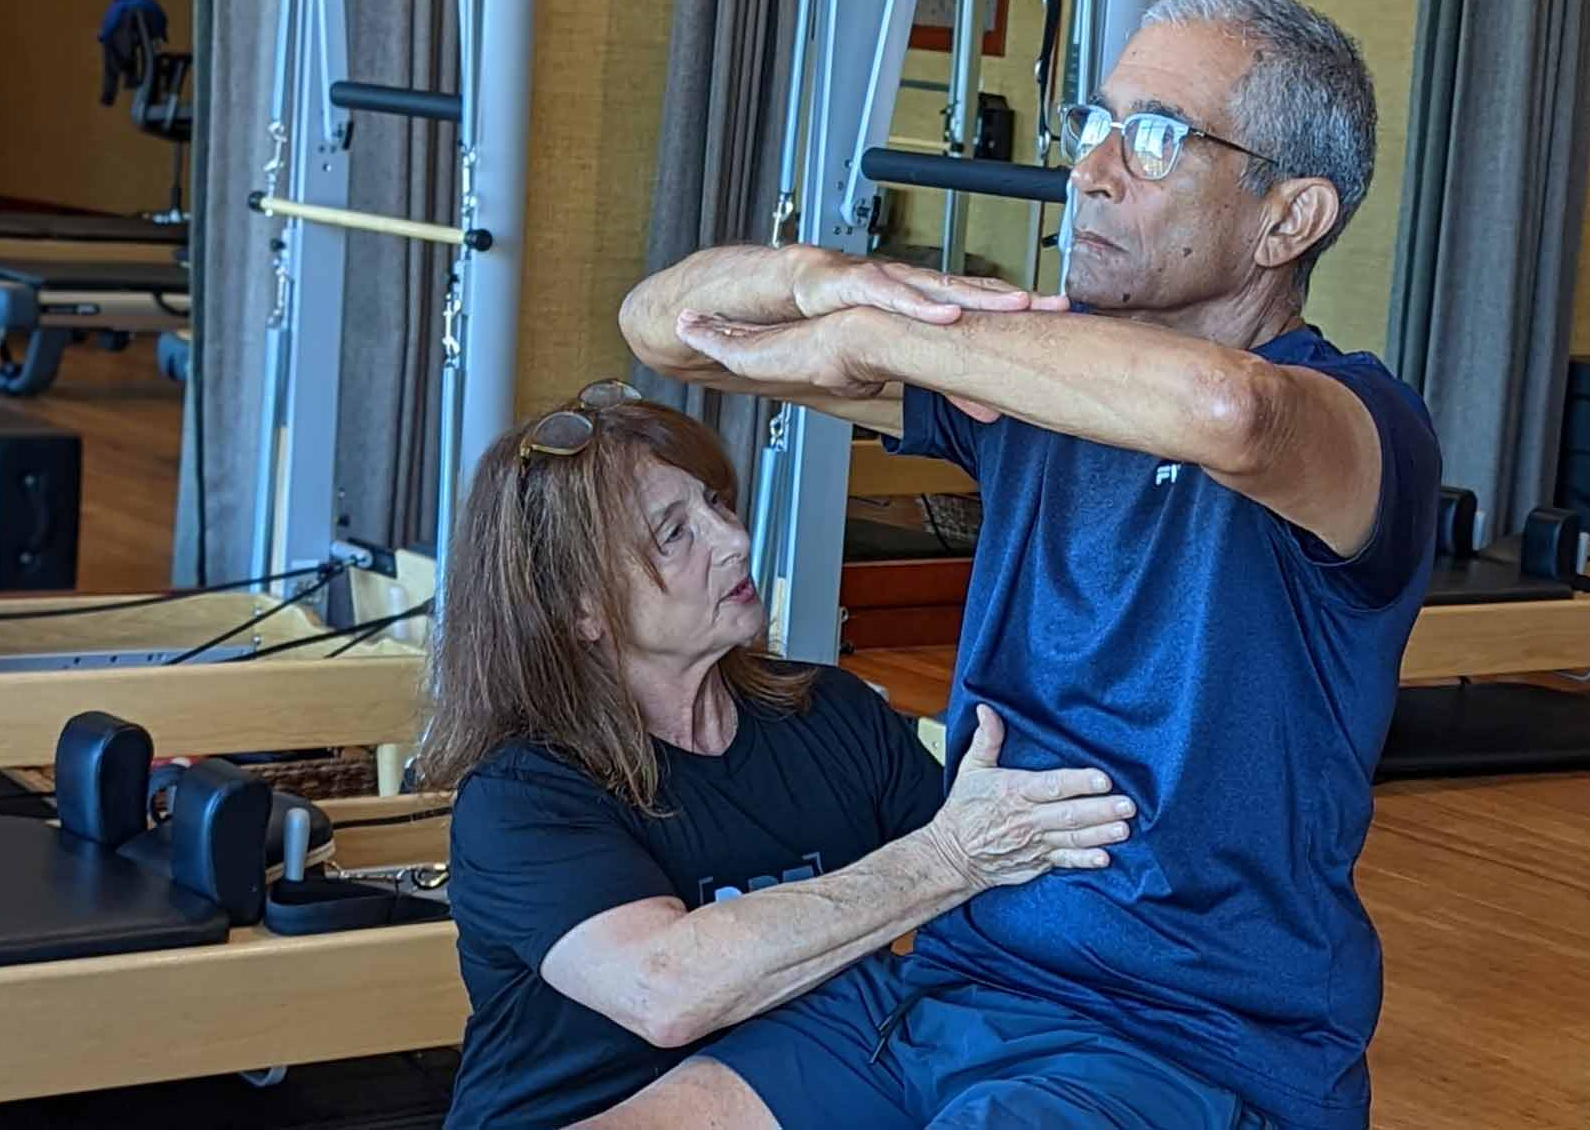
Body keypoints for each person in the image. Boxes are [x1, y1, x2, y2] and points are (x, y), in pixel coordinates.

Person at [592, 0, 1439, 1130]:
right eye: (1092, 126)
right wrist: (824, 285)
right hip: (950, 982)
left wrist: (883, 340)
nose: (1091, 172)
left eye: (1154, 139)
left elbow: (1228, 413)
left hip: (1187, 1041)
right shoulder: (1020, 395)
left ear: (1288, 220)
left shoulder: (1361, 426)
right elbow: (661, 327)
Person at [419, 384, 1141, 1130]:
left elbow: (994, 899)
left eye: (716, 505)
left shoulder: (833, 714)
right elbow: (666, 991)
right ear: (580, 609)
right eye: (675, 534)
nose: (732, 539)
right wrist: (951, 856)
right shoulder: (523, 796)